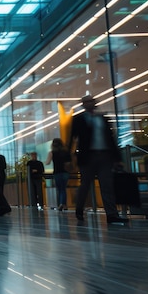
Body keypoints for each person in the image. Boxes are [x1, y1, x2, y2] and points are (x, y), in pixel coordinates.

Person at [68, 94, 127, 224]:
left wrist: (117, 158)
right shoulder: (78, 119)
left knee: (107, 185)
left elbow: (111, 139)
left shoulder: (103, 119)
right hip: (87, 157)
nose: (90, 103)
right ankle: (79, 209)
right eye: (87, 102)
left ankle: (111, 214)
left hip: (105, 156)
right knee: (85, 185)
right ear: (83, 105)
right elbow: (72, 138)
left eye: (91, 101)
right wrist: (69, 158)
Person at [45, 138, 71, 211]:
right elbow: (68, 163)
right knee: (63, 188)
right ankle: (64, 204)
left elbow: (48, 162)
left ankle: (61, 204)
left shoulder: (52, 153)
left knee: (60, 189)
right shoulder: (65, 152)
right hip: (65, 172)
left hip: (57, 172)